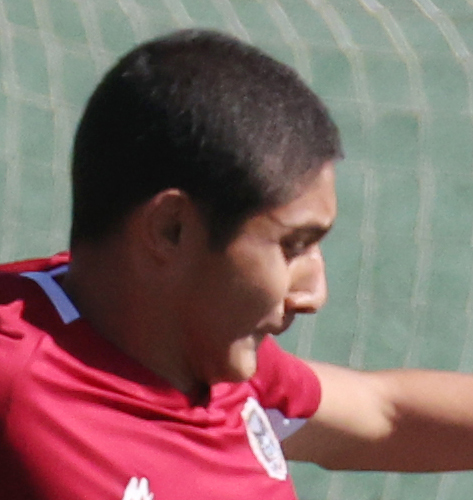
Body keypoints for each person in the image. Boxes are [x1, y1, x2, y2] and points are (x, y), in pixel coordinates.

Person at [1, 29, 473, 500]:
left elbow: (385, 415)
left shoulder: (206, 355)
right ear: (170, 230)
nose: (313, 294)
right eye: (293, 246)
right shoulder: (20, 376)